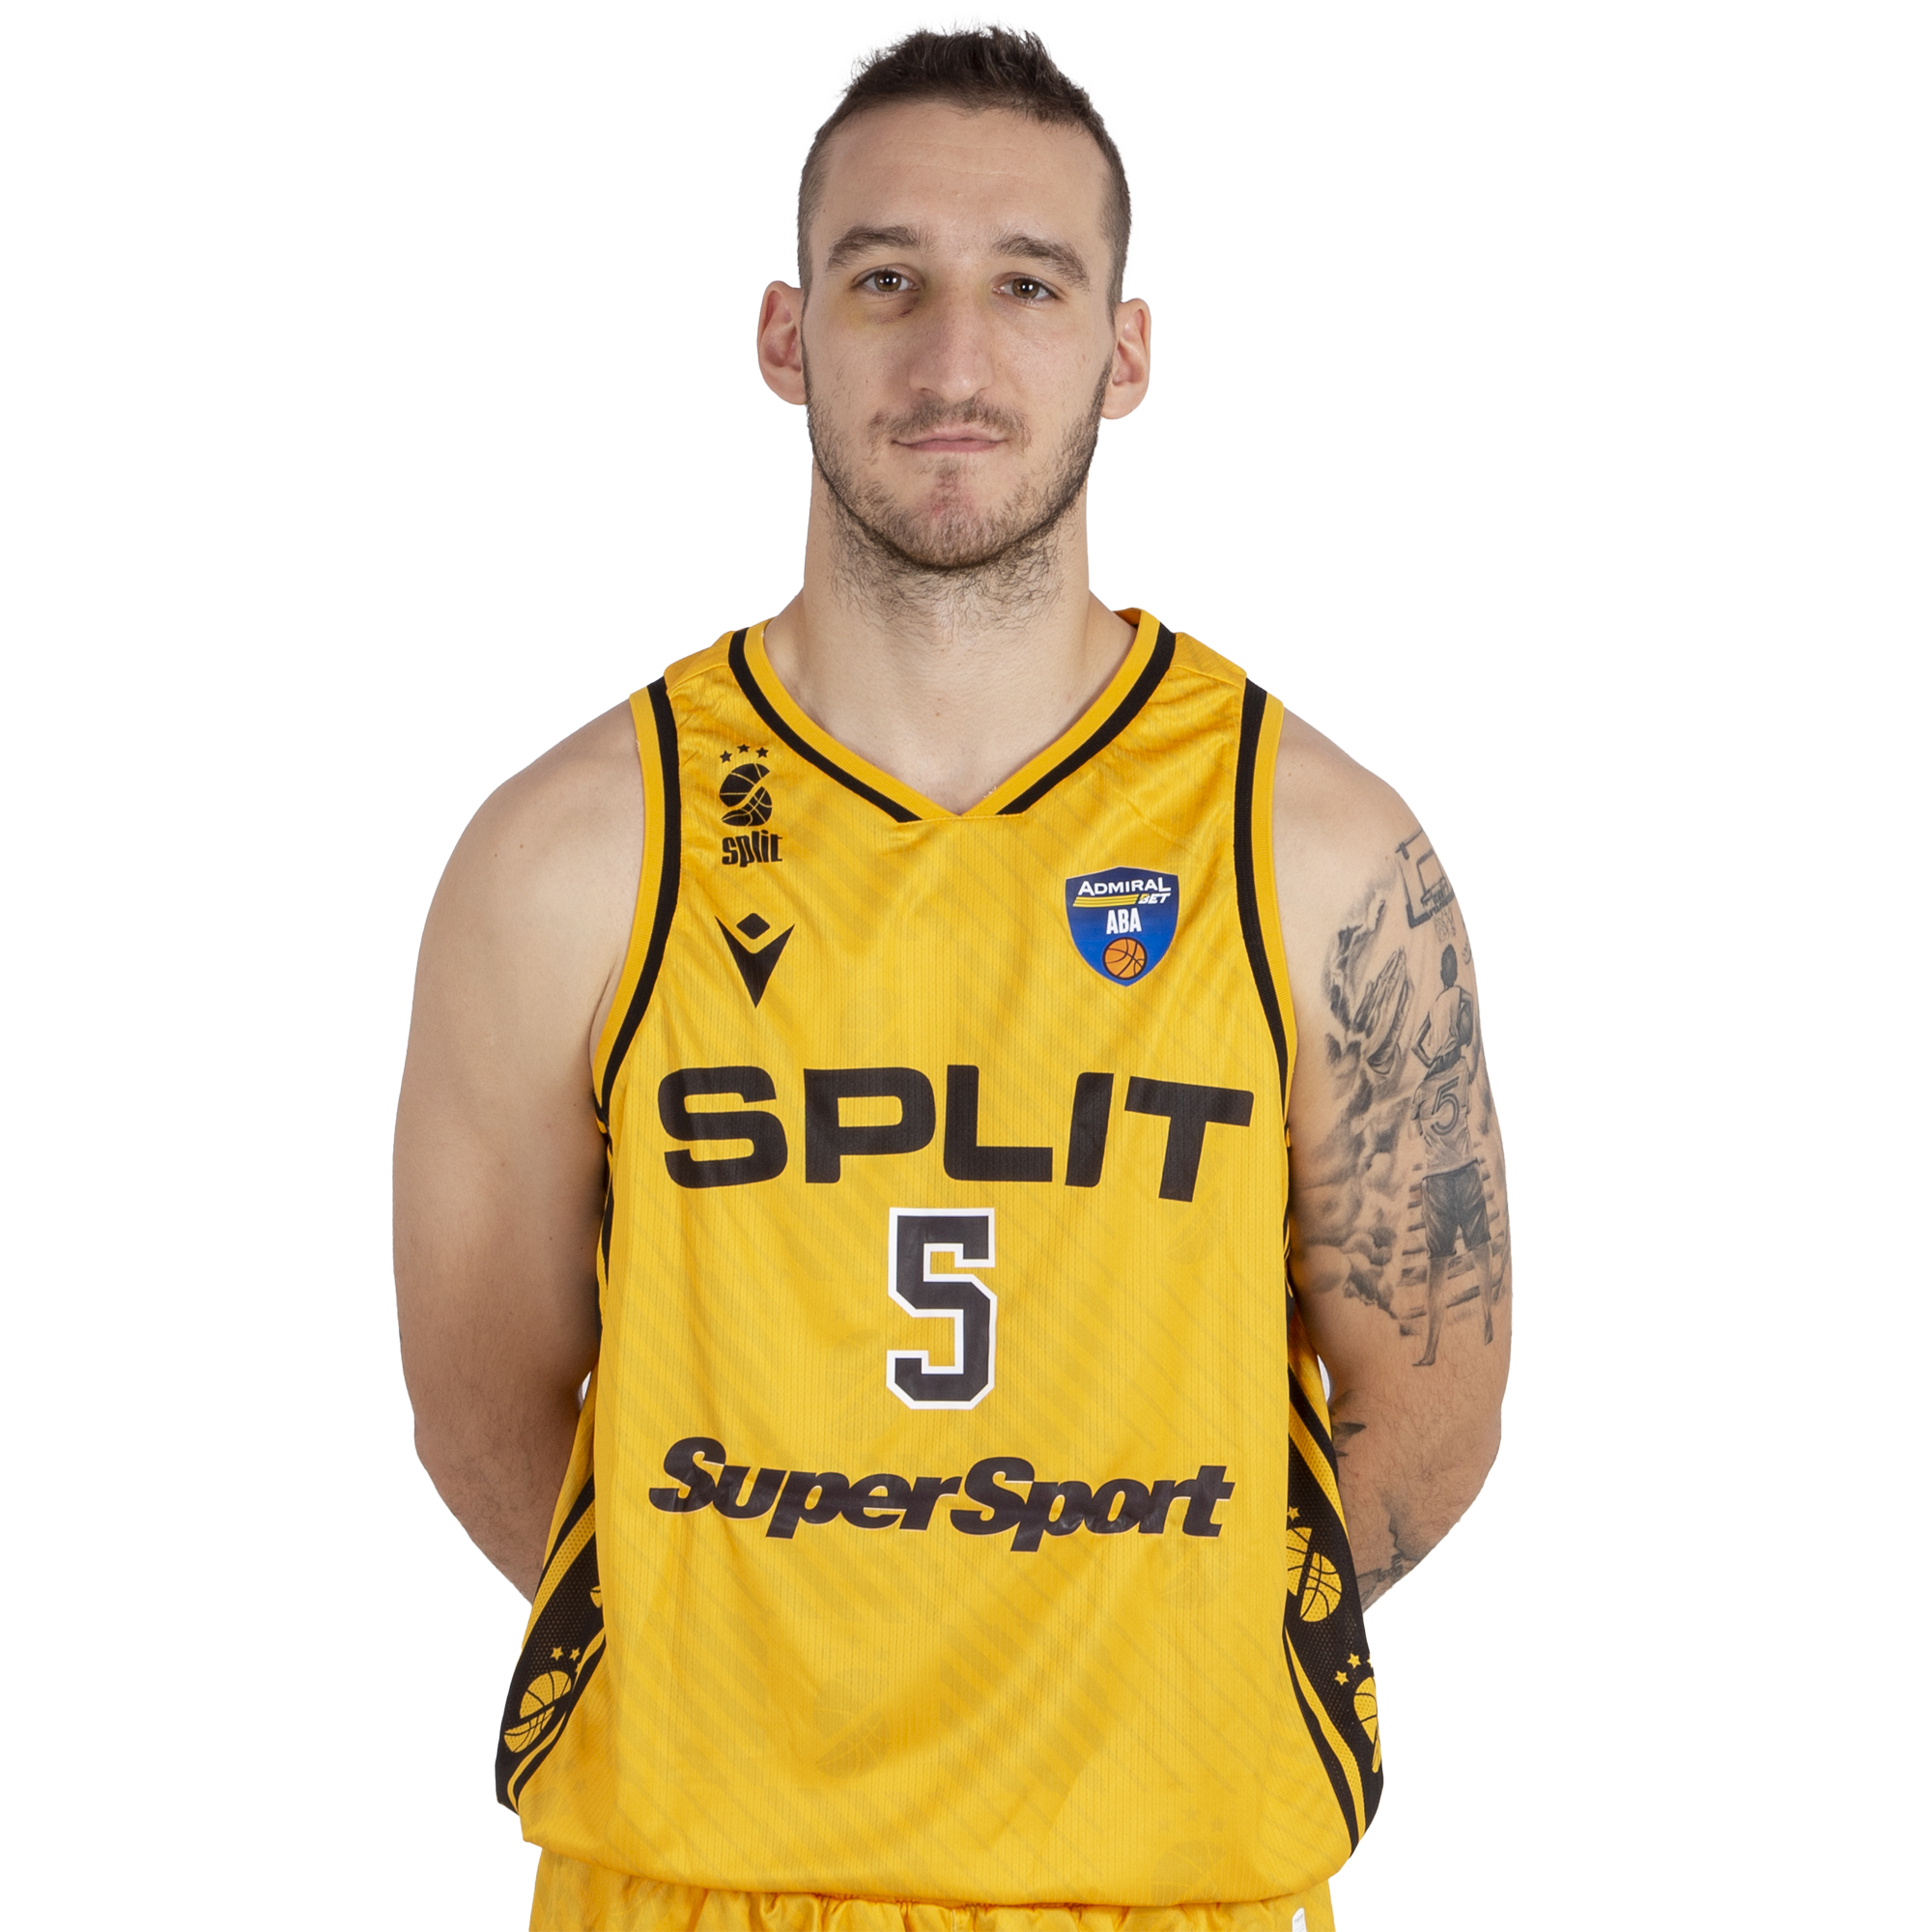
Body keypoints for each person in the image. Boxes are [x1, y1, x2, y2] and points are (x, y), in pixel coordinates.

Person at [394, 21, 1510, 1932]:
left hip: (1170, 1885)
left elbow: (1434, 1396)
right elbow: (482, 1398)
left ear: (1124, 352)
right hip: (691, 1877)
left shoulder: (1317, 852)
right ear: (787, 334)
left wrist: (1158, 1644)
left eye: (1028, 285)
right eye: (886, 279)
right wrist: (744, 1648)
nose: (953, 363)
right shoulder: (572, 854)